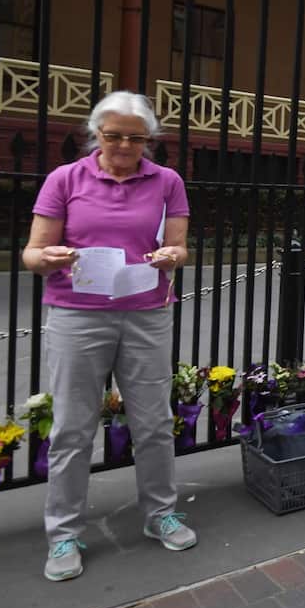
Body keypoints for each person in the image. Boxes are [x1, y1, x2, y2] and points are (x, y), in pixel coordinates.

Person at [22, 91, 196, 582]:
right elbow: (31, 254)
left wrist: (170, 258)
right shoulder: (66, 179)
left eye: (135, 138)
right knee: (73, 428)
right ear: (95, 134)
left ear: (150, 140)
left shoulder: (167, 182)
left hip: (146, 313)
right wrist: (49, 257)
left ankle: (161, 513)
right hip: (78, 314)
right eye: (113, 135)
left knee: (155, 422)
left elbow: (180, 248)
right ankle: (64, 534)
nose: (123, 146)